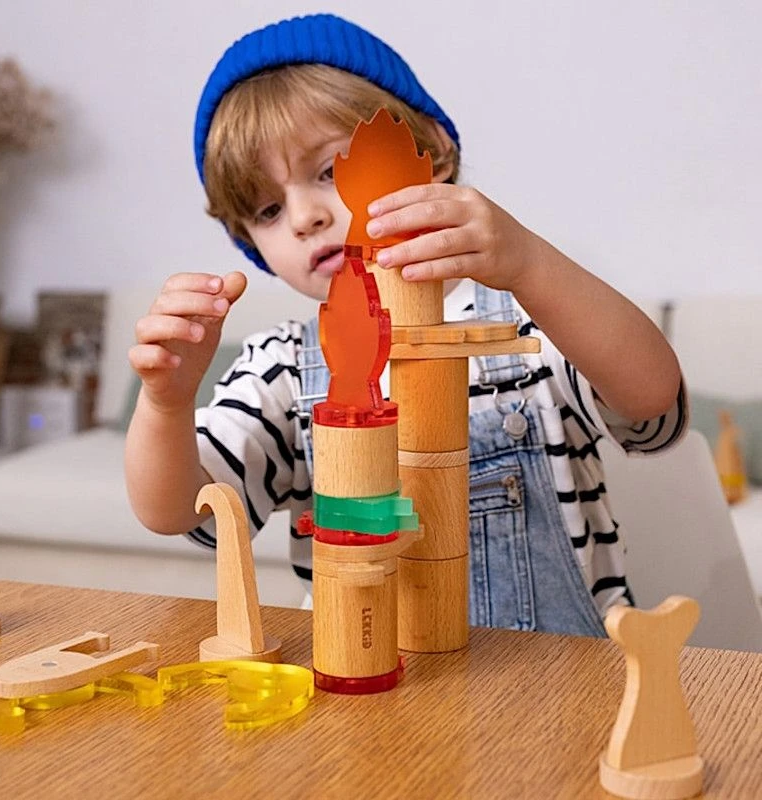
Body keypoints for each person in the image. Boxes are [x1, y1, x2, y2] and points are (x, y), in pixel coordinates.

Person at [125, 13, 686, 637]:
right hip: (369, 686)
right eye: (268, 209)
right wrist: (167, 404)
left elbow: (651, 398)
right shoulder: (284, 367)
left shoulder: (530, 317)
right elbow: (179, 510)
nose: (305, 217)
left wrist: (530, 262)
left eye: (329, 171)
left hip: (558, 683)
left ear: (433, 155)